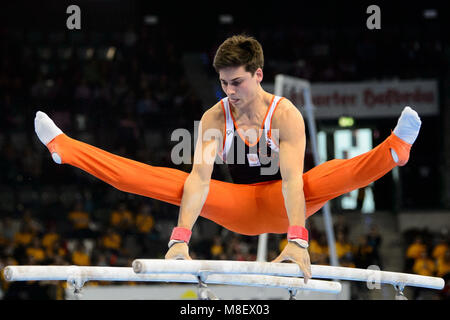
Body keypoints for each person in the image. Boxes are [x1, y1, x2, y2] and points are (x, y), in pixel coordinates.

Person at [33, 34, 421, 283]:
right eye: (222, 82)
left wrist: (298, 239)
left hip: (285, 204)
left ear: (258, 75)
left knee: (323, 178)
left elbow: (290, 182)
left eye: (237, 82)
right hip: (235, 206)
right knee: (167, 181)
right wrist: (180, 239)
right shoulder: (215, 116)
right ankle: (67, 149)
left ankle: (393, 149)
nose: (229, 90)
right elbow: (201, 179)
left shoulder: (285, 115)